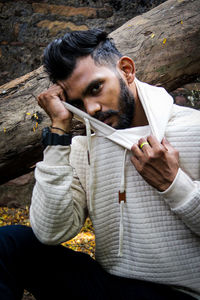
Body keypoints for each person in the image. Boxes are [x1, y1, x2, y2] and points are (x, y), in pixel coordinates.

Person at [0, 29, 200, 300]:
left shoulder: (194, 129)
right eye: (77, 103)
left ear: (127, 70)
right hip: (111, 288)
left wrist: (174, 185)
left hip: (182, 294)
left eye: (95, 88)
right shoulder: (86, 148)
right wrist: (59, 131)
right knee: (8, 243)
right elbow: (51, 232)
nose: (91, 109)